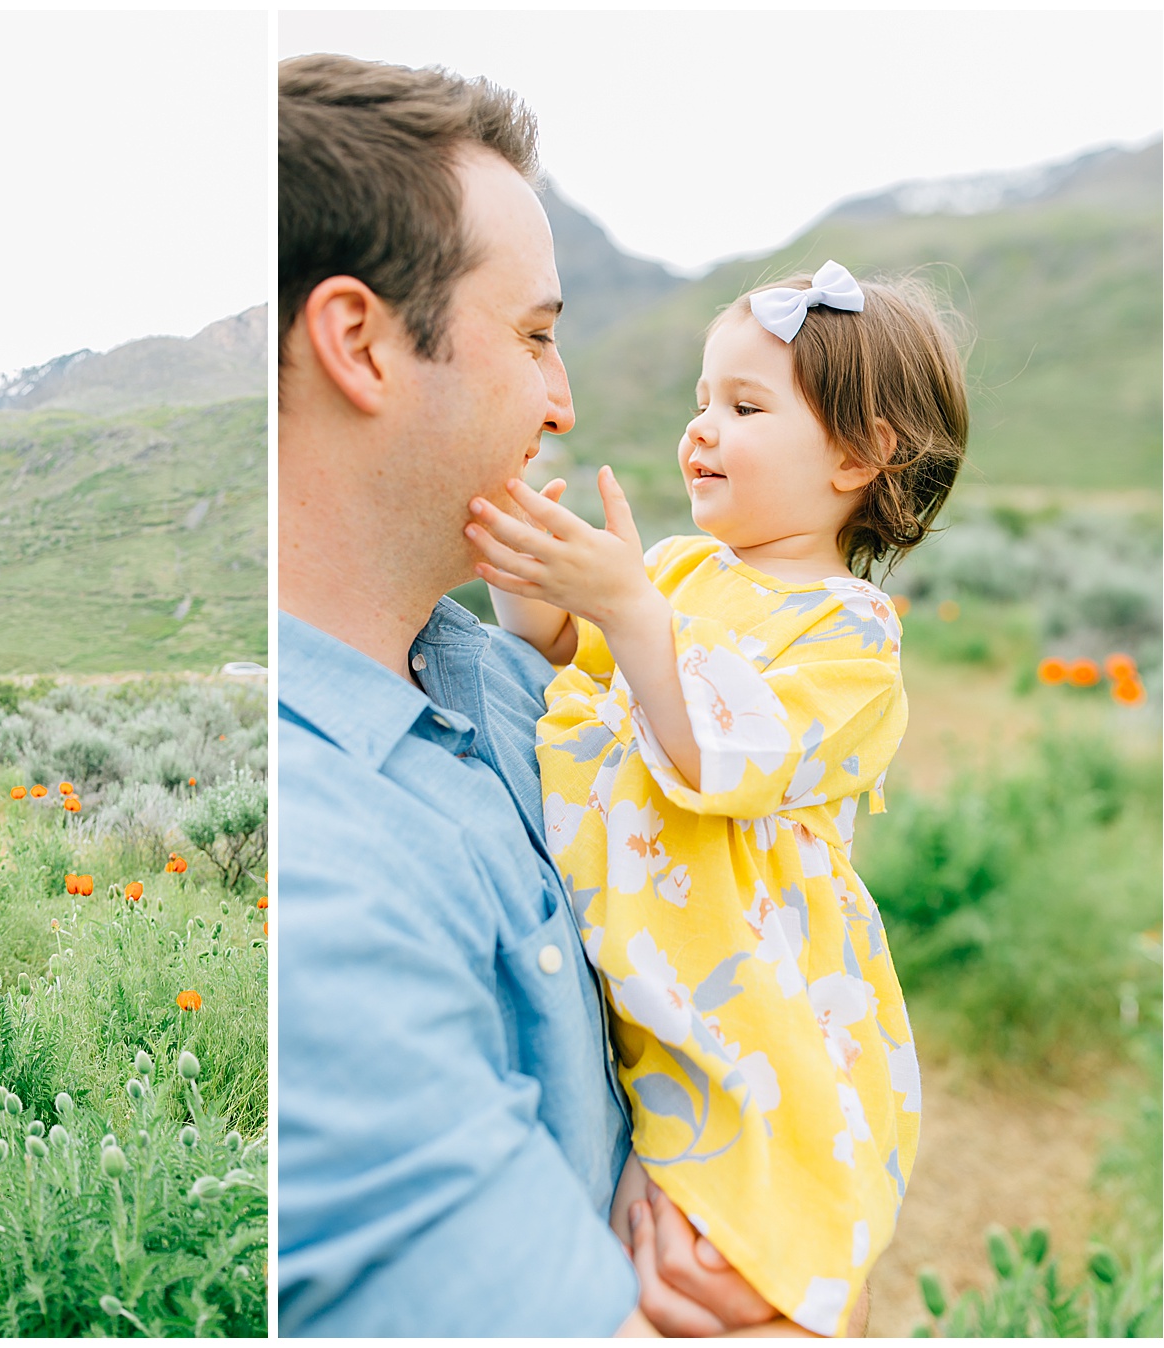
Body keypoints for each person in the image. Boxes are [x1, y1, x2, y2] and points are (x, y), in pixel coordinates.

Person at [279, 54, 803, 1336]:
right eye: (534, 335)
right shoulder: (319, 884)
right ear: (360, 342)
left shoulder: (510, 679)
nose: (563, 401)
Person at [469, 263, 966, 1334]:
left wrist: (627, 605)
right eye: (702, 400)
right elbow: (576, 655)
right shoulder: (684, 572)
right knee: (645, 1221)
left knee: (719, 1257)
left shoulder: (851, 633)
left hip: (759, 1008)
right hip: (662, 982)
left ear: (857, 453)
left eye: (743, 407)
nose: (702, 429)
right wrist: (534, 579)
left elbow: (723, 754)